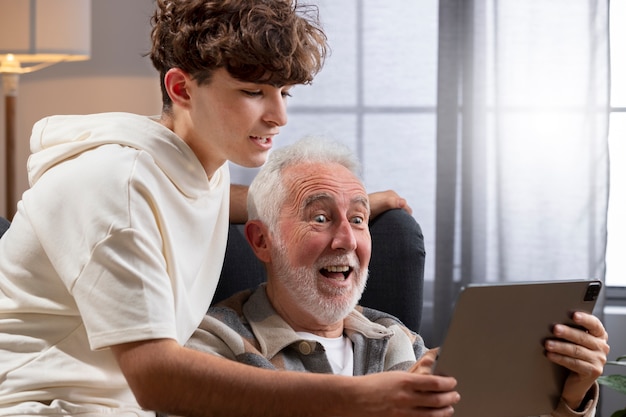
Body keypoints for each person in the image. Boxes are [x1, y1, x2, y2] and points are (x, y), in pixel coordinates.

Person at [0, 1, 445, 417]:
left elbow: (206, 198)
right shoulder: (114, 186)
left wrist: (343, 206)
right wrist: (359, 397)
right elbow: (156, 377)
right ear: (181, 88)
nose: (278, 116)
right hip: (44, 406)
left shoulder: (186, 169)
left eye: (283, 93)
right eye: (253, 91)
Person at [187, 136, 610, 417]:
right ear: (262, 241)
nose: (346, 241)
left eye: (358, 218)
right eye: (320, 218)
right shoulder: (211, 346)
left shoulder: (396, 339)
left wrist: (570, 395)